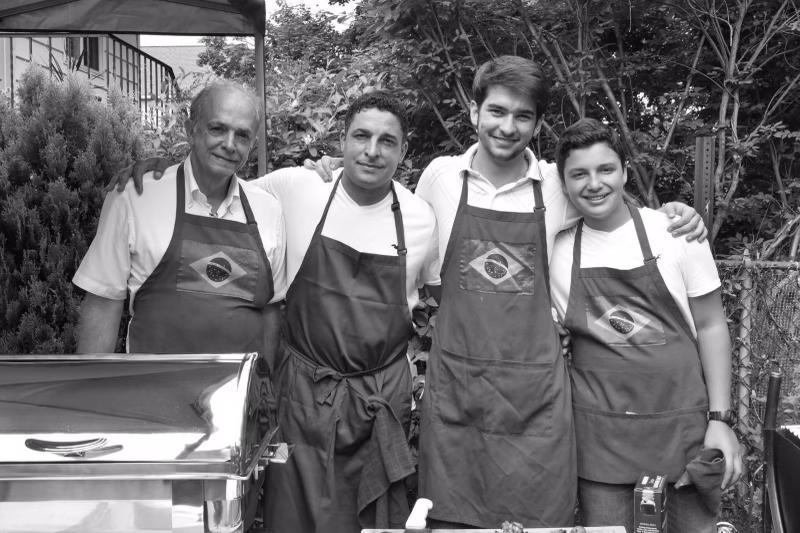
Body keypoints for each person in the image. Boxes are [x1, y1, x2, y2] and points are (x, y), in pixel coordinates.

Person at [110, 91, 440, 533]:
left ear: (404, 151)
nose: (372, 150)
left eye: (387, 141)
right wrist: (158, 169)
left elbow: (434, 299)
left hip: (380, 402)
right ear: (340, 141)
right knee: (292, 518)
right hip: (304, 398)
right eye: (361, 136)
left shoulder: (420, 218)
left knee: (373, 520)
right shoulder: (296, 189)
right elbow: (217, 181)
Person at [411, 56, 706, 529]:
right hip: (457, 390)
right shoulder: (439, 178)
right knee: (449, 520)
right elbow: (405, 238)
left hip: (536, 400)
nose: (508, 127)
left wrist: (674, 214)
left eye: (523, 116)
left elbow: (608, 204)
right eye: (497, 111)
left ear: (538, 124)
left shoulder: (555, 183)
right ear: (473, 112)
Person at [73, 80, 286, 529]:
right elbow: (104, 302)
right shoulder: (137, 195)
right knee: (155, 521)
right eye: (217, 128)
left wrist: (264, 402)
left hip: (233, 419)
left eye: (243, 134)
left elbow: (270, 311)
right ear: (191, 128)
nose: (230, 144)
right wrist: (90, 406)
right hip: (151, 409)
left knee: (231, 521)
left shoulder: (267, 209)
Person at [549, 118, 742, 532]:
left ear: (623, 171)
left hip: (685, 434)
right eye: (578, 174)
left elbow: (711, 325)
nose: (594, 184)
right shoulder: (555, 252)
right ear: (563, 185)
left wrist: (720, 420)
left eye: (605, 170)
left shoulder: (675, 233)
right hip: (601, 444)